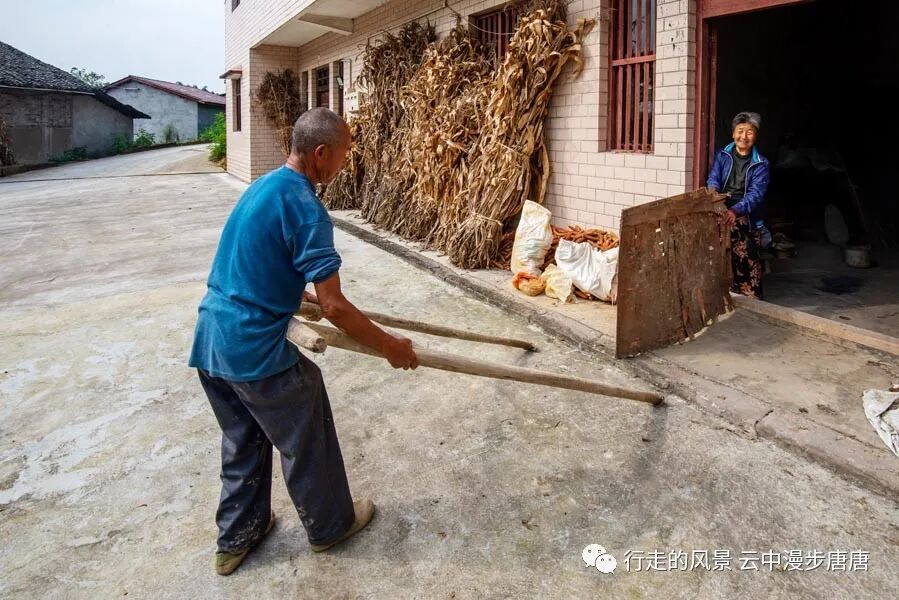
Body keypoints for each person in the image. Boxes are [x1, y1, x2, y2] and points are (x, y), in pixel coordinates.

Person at [188, 107, 418, 576]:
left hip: (211, 341)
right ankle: (332, 524)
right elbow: (335, 307)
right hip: (252, 347)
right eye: (344, 154)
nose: (344, 163)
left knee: (244, 438)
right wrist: (390, 346)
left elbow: (259, 261)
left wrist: (296, 295)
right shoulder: (307, 208)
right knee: (304, 406)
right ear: (320, 153)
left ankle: (237, 538)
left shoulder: (264, 185)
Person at [707, 111, 771, 299]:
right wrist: (713, 194)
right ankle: (730, 293)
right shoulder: (723, 154)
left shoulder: (761, 163)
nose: (744, 137)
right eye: (740, 131)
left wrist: (735, 210)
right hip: (723, 205)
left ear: (756, 136)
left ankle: (752, 296)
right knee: (722, 251)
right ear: (733, 134)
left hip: (746, 211)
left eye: (749, 132)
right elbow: (714, 177)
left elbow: (755, 194)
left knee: (747, 252)